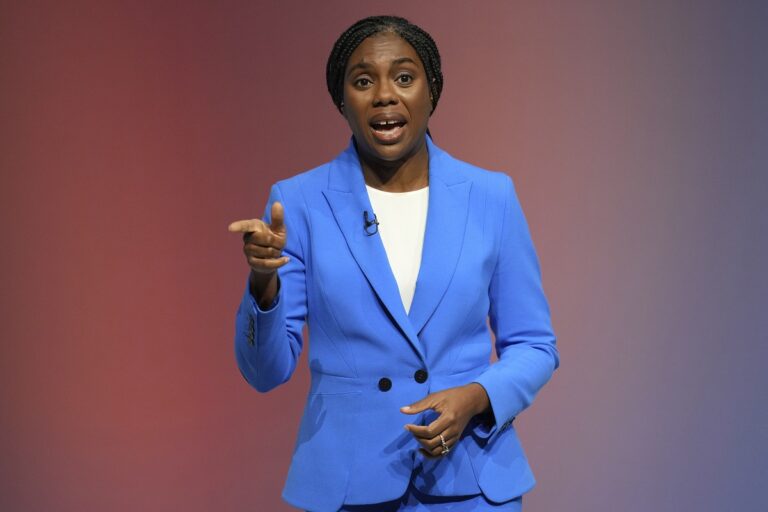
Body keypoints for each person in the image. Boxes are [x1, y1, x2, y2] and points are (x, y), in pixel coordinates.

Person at [228, 15, 559, 512]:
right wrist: (263, 283)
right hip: (349, 486)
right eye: (363, 81)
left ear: (433, 91)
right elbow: (265, 372)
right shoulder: (298, 203)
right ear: (342, 100)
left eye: (404, 77)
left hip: (469, 482)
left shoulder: (491, 196)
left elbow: (535, 344)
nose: (385, 95)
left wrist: (474, 398)